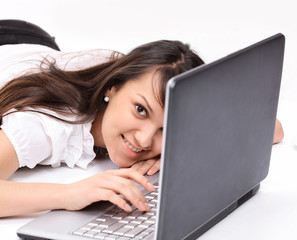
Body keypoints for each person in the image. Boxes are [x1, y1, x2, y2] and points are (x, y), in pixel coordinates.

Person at [0, 20, 283, 218]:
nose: (145, 139)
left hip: (37, 49)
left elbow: (274, 129)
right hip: (12, 36)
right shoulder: (45, 125)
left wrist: (178, 148)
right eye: (140, 110)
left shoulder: (145, 82)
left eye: (166, 128)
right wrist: (68, 195)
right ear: (112, 86)